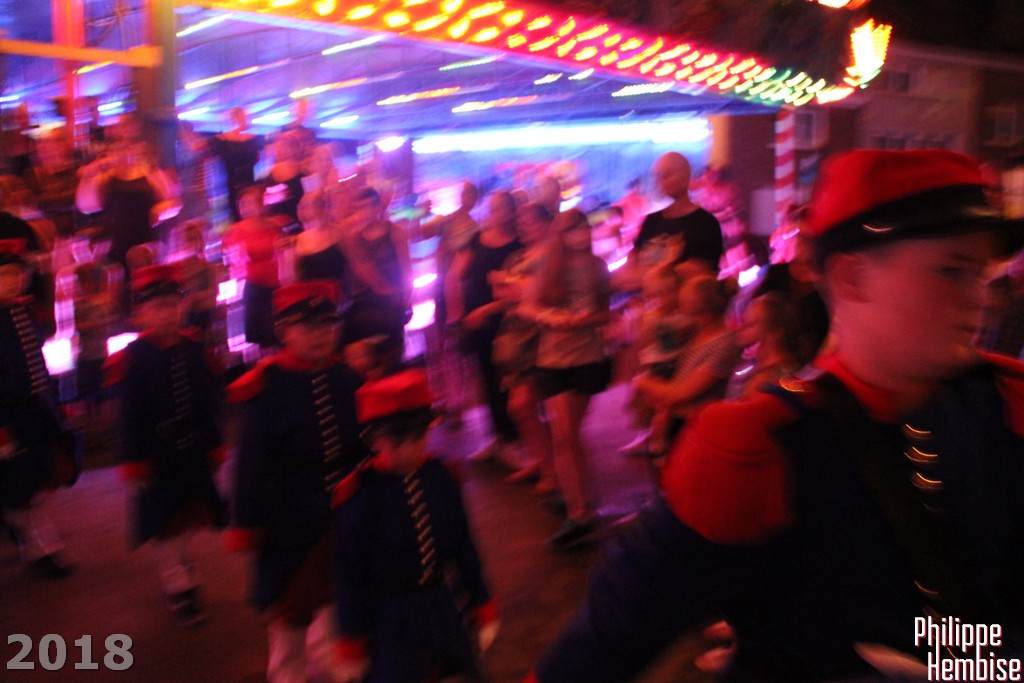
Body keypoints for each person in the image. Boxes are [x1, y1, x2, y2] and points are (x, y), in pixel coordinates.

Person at [530, 149, 1024, 682]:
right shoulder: (755, 453)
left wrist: (984, 669)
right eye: (952, 271)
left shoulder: (1002, 407)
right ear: (853, 276)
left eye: (981, 272)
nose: (979, 297)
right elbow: (603, 644)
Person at [226, 280, 367, 683]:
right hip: (287, 520)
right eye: (308, 326)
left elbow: (363, 445)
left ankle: (331, 671)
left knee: (336, 606)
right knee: (290, 617)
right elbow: (250, 465)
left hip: (341, 515)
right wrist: (248, 523)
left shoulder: (346, 378)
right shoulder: (266, 387)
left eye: (327, 324)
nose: (320, 334)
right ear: (284, 331)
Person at [329, 367, 499, 683]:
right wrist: (352, 642)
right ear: (374, 440)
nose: (408, 450)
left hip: (442, 609)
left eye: (417, 437)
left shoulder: (442, 479)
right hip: (389, 622)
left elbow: (464, 547)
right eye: (396, 441)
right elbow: (350, 578)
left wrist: (481, 601)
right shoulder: (359, 497)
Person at [103, 265, 227, 626]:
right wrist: (133, 460)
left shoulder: (194, 348)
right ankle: (177, 583)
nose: (167, 314)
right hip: (156, 455)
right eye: (157, 307)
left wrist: (214, 443)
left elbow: (208, 404)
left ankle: (178, 560)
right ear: (141, 313)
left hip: (192, 450)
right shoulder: (134, 357)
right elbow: (129, 415)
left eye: (172, 305)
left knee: (192, 514)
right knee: (165, 521)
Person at [525, 209, 612, 551]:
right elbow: (528, 305)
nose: (580, 234)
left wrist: (584, 320)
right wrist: (551, 316)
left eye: (583, 228)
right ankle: (578, 505)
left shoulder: (598, 266)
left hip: (587, 357)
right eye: (572, 229)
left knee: (567, 435)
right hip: (552, 359)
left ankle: (579, 508)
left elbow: (605, 312)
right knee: (564, 435)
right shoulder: (547, 265)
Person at [0, 238, 77, 578]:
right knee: (18, 486)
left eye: (16, 274)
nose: (12, 281)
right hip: (8, 416)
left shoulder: (26, 312)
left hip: (36, 411)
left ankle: (35, 540)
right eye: (4, 275)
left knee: (42, 477)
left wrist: (54, 403)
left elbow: (39, 364)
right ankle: (39, 545)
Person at [208, 107, 263, 223]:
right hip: (235, 185)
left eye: (245, 118)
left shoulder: (252, 139)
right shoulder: (222, 140)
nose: (245, 120)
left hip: (248, 184)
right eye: (242, 118)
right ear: (234, 119)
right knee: (240, 214)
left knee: (251, 215)